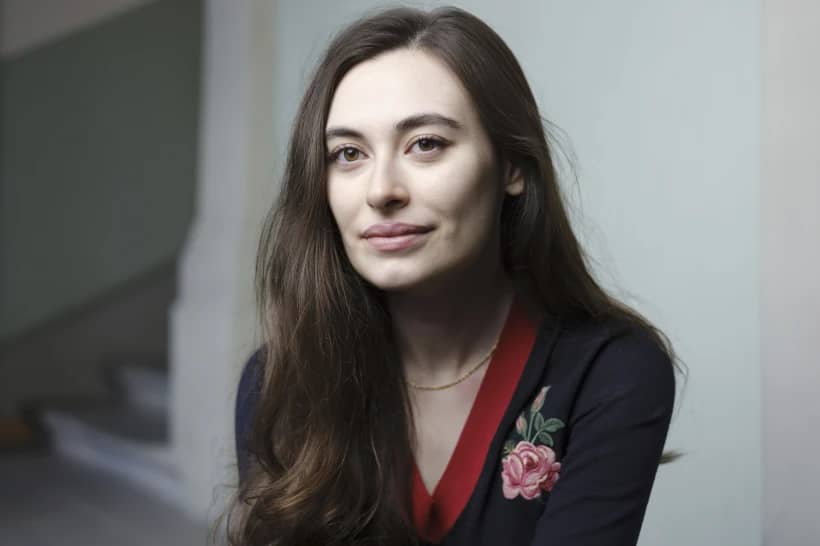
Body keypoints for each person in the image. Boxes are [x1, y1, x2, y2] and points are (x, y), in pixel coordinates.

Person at [228, 6, 681, 546]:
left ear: (512, 164)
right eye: (348, 153)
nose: (381, 190)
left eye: (426, 144)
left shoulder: (612, 374)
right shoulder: (280, 382)